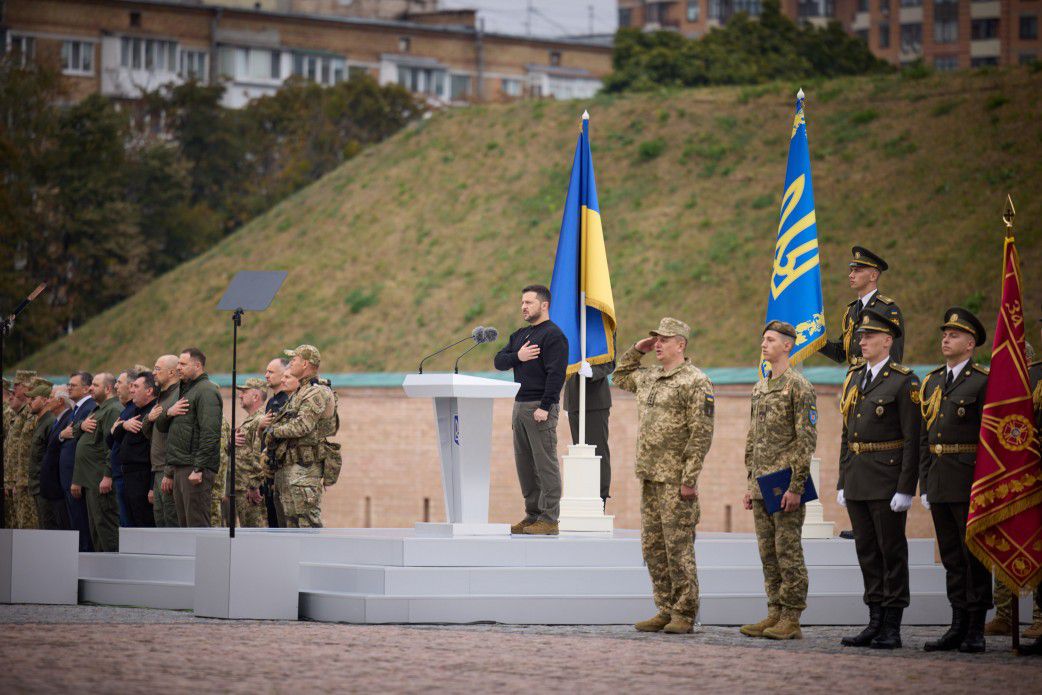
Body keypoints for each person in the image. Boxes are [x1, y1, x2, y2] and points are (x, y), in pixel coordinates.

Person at [614, 317, 715, 635]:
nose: (657, 343)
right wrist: (636, 349)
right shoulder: (650, 377)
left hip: (675, 479)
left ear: (681, 345)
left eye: (664, 339)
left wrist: (690, 478)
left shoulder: (695, 381)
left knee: (678, 546)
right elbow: (619, 375)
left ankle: (685, 611)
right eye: (655, 338)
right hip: (649, 475)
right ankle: (666, 608)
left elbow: (701, 433)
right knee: (653, 546)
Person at [837, 309, 920, 650]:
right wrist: (842, 479)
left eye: (870, 336)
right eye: (861, 336)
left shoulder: (904, 381)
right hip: (858, 477)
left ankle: (892, 625)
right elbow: (846, 433)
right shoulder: (855, 377)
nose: (862, 340)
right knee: (867, 552)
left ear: (888, 340)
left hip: (887, 479)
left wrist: (906, 487)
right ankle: (874, 620)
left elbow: (913, 438)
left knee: (891, 551)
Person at [919, 307, 991, 653]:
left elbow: (991, 439)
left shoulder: (982, 381)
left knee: (972, 554)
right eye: (945, 333)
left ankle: (976, 625)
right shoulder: (933, 381)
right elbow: (924, 436)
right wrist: (924, 483)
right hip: (939, 477)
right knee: (950, 554)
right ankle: (957, 622)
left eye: (954, 334)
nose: (946, 339)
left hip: (968, 479)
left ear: (970, 343)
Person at [739, 321, 817, 641]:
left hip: (784, 483)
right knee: (767, 553)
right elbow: (753, 439)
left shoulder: (798, 386)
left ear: (787, 345)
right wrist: (749, 484)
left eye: (770, 340)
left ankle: (791, 617)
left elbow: (806, 439)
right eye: (763, 339)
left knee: (788, 552)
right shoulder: (761, 386)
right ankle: (774, 611)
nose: (764, 344)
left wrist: (796, 486)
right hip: (761, 483)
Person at [493, 284, 568, 536]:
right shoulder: (520, 336)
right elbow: (499, 361)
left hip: (539, 407)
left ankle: (550, 519)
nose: (524, 307)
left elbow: (556, 375)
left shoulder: (554, 336)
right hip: (520, 406)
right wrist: (519, 357)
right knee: (525, 465)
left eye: (529, 302)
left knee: (545, 464)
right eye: (522, 303)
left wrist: (545, 407)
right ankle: (532, 514)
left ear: (544, 305)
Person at [261, 346, 338, 528]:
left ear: (305, 364)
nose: (291, 362)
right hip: (288, 469)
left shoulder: (316, 392)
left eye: (294, 359)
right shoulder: (299, 392)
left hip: (304, 472)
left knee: (306, 526)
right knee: (287, 527)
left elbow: (303, 425)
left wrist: (273, 431)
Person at [158, 347, 222, 527]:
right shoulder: (186, 391)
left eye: (183, 364)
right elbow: (163, 428)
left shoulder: (206, 391)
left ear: (197, 365)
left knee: (197, 524)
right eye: (178, 363)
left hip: (194, 469)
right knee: (184, 526)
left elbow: (210, 433)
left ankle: (206, 557)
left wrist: (199, 468)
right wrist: (168, 413)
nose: (178, 367)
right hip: (180, 467)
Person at [820, 247, 904, 366]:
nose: (851, 275)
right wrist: (815, 338)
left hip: (876, 381)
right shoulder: (852, 310)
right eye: (851, 270)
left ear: (873, 276)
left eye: (857, 271)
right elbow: (840, 354)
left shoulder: (888, 310)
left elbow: (894, 356)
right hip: (855, 380)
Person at [71, 373, 122, 552]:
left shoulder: (112, 409)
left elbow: (112, 446)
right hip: (91, 480)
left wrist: (108, 475)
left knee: (105, 527)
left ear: (108, 389)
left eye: (95, 385)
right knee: (95, 529)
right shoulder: (97, 409)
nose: (90, 388)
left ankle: (113, 571)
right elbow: (74, 431)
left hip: (100, 479)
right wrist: (80, 426)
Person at [563, 345, 614, 507]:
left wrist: (594, 372)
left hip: (595, 398)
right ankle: (582, 498)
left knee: (597, 452)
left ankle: (600, 500)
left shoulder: (601, 323)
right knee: (578, 454)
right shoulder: (569, 326)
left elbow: (610, 360)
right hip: (573, 399)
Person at [111, 372, 158, 527]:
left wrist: (152, 487)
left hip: (143, 477)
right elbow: (112, 438)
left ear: (149, 391)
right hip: (129, 476)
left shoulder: (153, 412)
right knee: (130, 524)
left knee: (144, 523)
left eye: (136, 387)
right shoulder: (135, 410)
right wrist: (123, 425)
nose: (132, 391)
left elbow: (155, 453)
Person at [59, 372, 95, 551]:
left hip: (77, 476)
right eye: (68, 384)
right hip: (69, 476)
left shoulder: (89, 407)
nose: (69, 388)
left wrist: (77, 479)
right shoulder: (77, 409)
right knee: (75, 522)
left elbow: (80, 446)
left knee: (81, 523)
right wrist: (61, 435)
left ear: (86, 388)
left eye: (73, 385)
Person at [147, 355, 180, 527]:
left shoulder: (178, 395)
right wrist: (149, 419)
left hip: (169, 470)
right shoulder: (163, 396)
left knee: (171, 521)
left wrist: (170, 472)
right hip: (158, 468)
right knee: (160, 520)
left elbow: (176, 437)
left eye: (158, 369)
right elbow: (149, 432)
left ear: (172, 372)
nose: (154, 373)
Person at [232, 377, 268, 527]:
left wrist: (254, 485)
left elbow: (260, 455)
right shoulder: (252, 420)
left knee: (256, 533)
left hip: (251, 492)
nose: (240, 395)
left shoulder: (260, 420)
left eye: (244, 392)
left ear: (255, 396)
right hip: (243, 489)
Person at [260, 357, 290, 527]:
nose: (266, 375)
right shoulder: (272, 401)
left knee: (282, 522)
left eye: (270, 372)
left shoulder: (287, 400)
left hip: (280, 470)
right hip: (268, 469)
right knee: (272, 521)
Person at [39, 385, 73, 530]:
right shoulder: (58, 420)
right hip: (51, 486)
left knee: (62, 527)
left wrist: (59, 436)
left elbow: (56, 448)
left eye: (50, 397)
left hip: (58, 486)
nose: (47, 401)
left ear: (60, 401)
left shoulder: (68, 419)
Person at [26, 380, 57, 529]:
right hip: (36, 486)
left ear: (45, 400)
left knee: (48, 528)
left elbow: (50, 457)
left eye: (33, 399)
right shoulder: (40, 422)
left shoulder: (50, 422)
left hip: (44, 487)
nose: (29, 402)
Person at [108, 370, 135, 527]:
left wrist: (116, 429)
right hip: (120, 473)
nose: (115, 386)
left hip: (126, 475)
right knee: (124, 522)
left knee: (129, 524)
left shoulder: (131, 411)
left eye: (119, 383)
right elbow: (110, 440)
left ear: (131, 386)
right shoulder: (125, 410)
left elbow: (115, 438)